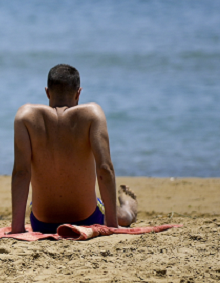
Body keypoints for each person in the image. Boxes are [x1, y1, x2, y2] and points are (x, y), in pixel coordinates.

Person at [10, 64, 137, 233]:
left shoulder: (25, 116)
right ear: (79, 93)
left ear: (47, 92)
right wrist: (112, 226)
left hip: (42, 223)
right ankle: (129, 206)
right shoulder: (92, 114)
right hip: (87, 219)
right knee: (124, 215)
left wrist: (17, 229)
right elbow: (104, 169)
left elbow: (21, 173)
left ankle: (126, 204)